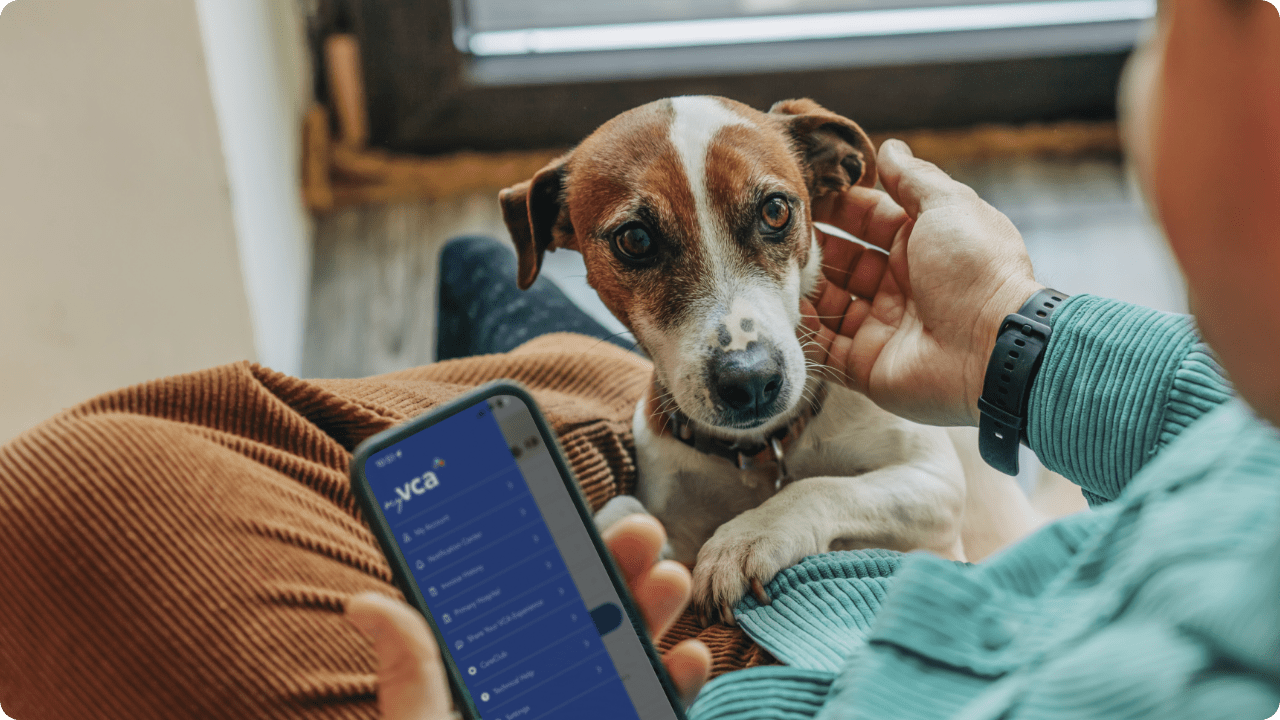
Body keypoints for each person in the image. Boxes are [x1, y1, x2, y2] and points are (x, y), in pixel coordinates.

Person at [0, 0, 1275, 719]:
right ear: (567, 236)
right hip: (695, 486)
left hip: (795, 642)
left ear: (822, 179)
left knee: (75, 504)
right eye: (641, 250)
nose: (733, 334)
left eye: (1198, 14)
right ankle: (501, 313)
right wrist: (1016, 335)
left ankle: (503, 326)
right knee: (547, 403)